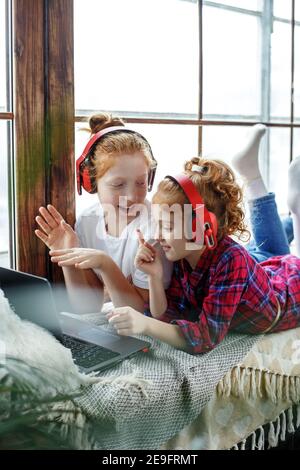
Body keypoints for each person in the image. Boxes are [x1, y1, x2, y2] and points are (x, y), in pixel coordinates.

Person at [105, 152, 300, 354]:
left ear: (201, 227)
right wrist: (154, 277)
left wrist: (145, 325)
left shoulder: (232, 260)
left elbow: (205, 338)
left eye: (168, 226)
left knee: (267, 251)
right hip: (259, 272)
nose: (157, 236)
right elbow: (168, 314)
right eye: (157, 224)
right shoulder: (183, 255)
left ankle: (295, 212)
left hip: (292, 293)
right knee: (264, 251)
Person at [35, 113, 172, 314]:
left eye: (141, 183)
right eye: (118, 185)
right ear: (91, 183)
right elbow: (87, 307)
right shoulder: (87, 221)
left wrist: (105, 265)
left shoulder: (155, 229)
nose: (132, 196)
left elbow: (141, 312)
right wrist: (69, 256)